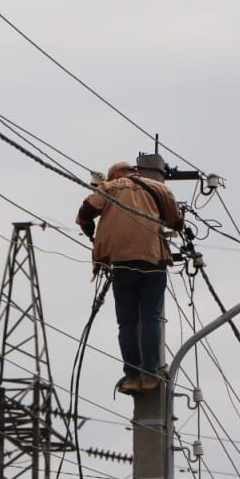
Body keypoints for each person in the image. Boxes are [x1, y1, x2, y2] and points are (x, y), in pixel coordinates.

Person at [76, 161, 184, 394]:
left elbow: (85, 212)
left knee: (127, 321)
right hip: (153, 260)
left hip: (123, 264)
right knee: (150, 317)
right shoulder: (158, 188)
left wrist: (90, 233)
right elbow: (176, 221)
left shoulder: (109, 187)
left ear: (115, 174)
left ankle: (133, 375)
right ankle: (152, 372)